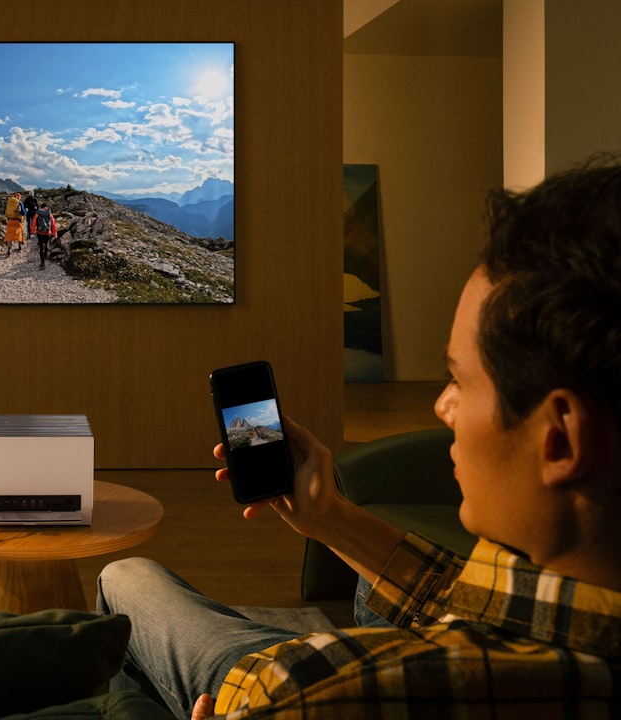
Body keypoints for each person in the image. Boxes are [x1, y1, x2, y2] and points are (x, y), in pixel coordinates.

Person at [97, 155, 621, 719]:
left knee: (125, 578)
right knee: (370, 593)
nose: (442, 406)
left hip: (273, 686)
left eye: (460, 381)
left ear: (560, 439)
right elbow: (462, 599)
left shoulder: (298, 694)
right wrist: (327, 517)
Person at [30, 202, 58, 269]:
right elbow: (53, 224)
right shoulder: (49, 214)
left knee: (41, 247)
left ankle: (42, 263)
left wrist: (32, 232)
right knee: (46, 243)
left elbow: (34, 223)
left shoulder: (38, 213)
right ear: (46, 207)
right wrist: (55, 234)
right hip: (47, 232)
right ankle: (45, 254)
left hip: (40, 232)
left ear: (41, 207)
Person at [3, 191, 25, 255]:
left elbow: (5, 212)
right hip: (17, 222)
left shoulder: (9, 202)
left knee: (9, 236)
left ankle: (9, 250)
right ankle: (19, 246)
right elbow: (23, 212)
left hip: (10, 221)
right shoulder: (19, 202)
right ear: (19, 197)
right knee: (19, 234)